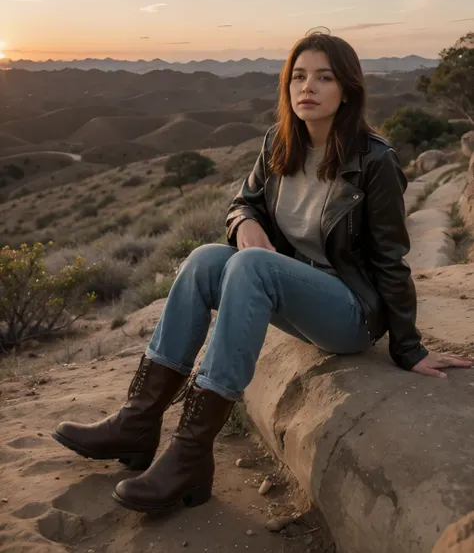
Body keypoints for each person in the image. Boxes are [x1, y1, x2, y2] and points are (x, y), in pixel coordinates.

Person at [52, 31, 472, 514]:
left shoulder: (375, 161)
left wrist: (409, 348)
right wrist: (245, 223)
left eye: (323, 77)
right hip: (294, 289)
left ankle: (190, 452)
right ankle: (138, 421)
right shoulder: (280, 142)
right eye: (297, 76)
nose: (306, 88)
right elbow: (243, 202)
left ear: (348, 90)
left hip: (350, 311)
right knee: (205, 259)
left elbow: (390, 260)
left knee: (250, 266)